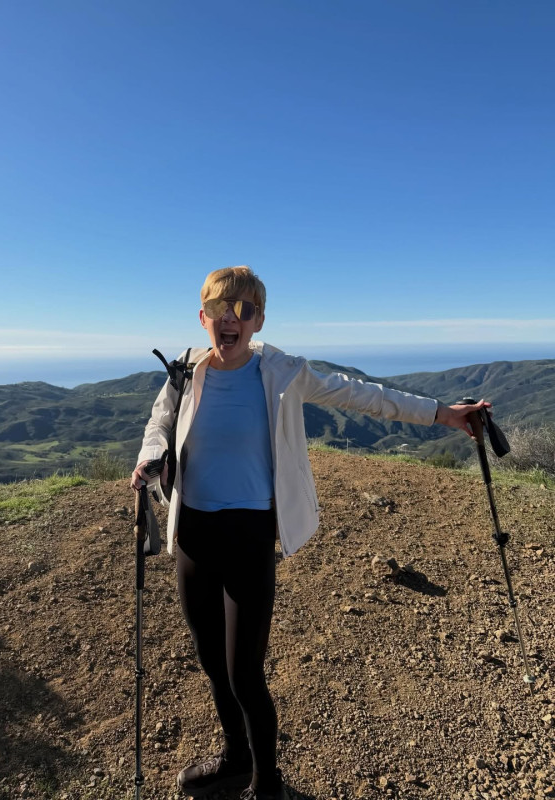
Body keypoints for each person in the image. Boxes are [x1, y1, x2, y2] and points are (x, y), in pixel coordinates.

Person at [131, 265, 490, 800]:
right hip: (194, 534)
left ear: (259, 320)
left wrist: (444, 414)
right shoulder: (184, 368)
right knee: (210, 661)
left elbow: (361, 395)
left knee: (243, 672)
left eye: (244, 310)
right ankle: (235, 758)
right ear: (202, 316)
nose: (231, 318)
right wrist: (152, 454)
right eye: (221, 308)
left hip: (250, 533)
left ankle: (267, 784)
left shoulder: (283, 372)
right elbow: (159, 421)